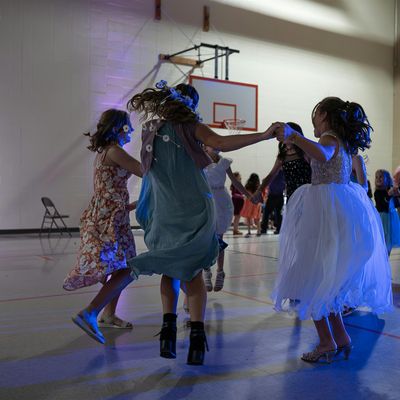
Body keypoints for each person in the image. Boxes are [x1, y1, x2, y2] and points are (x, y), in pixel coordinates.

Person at [126, 80, 280, 365]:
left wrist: (142, 204)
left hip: (164, 211)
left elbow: (148, 174)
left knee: (169, 269)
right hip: (192, 208)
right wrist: (264, 135)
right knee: (193, 271)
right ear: (191, 106)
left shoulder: (150, 129)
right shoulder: (189, 126)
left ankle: (167, 331)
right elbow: (221, 142)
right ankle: (197, 338)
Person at [273, 97, 393, 363]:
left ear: (324, 115)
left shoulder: (329, 139)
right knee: (325, 283)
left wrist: (294, 136)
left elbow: (323, 153)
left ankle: (326, 342)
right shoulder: (340, 142)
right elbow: (320, 157)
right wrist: (295, 143)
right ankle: (341, 338)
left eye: (314, 115)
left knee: (313, 280)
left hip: (325, 215)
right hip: (334, 212)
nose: (312, 122)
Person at [64, 109, 142, 344]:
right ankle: (90, 312)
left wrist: (129, 206)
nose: (132, 130)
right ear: (120, 128)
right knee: (129, 268)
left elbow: (109, 190)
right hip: (109, 218)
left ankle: (108, 315)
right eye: (129, 126)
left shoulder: (105, 151)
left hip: (111, 214)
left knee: (121, 266)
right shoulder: (115, 151)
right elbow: (145, 171)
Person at [203, 147, 250, 292]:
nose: (215, 147)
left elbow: (235, 182)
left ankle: (220, 271)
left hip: (221, 200)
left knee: (219, 238)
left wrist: (249, 195)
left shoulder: (224, 162)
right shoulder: (200, 159)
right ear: (205, 146)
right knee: (205, 238)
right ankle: (206, 270)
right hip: (206, 199)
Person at [252, 122, 311, 214]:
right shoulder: (282, 156)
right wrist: (260, 190)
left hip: (307, 194)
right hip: (291, 195)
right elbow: (271, 175)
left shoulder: (305, 153)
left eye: (283, 133)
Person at [374, 169, 400, 255]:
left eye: (381, 176)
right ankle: (383, 257)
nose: (378, 179)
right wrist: (389, 195)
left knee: (389, 241)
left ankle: (387, 256)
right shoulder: (377, 192)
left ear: (387, 179)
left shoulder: (390, 190)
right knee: (383, 239)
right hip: (383, 218)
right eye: (376, 177)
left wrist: (397, 195)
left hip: (392, 217)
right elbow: (383, 203)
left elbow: (396, 204)